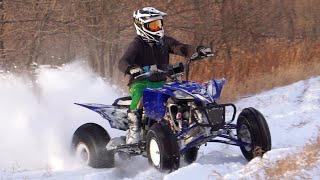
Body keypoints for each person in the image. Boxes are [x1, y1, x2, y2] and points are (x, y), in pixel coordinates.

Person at [118, 7, 213, 145]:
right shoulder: (137, 45)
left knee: (185, 92)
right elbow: (122, 61)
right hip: (141, 82)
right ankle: (134, 130)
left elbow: (180, 48)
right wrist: (131, 69)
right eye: (153, 25)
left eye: (159, 24)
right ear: (141, 26)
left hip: (162, 82)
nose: (158, 28)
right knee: (140, 95)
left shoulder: (164, 41)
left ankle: (194, 123)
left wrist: (197, 51)